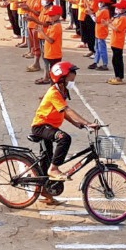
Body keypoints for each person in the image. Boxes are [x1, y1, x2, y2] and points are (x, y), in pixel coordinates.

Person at [29, 62, 100, 193]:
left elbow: (62, 112)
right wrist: (87, 122)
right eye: (70, 80)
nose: (72, 82)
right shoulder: (54, 93)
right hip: (41, 126)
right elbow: (67, 110)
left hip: (49, 127)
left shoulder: (62, 91)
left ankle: (46, 192)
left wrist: (76, 124)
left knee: (47, 158)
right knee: (64, 138)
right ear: (61, 79)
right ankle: (54, 169)